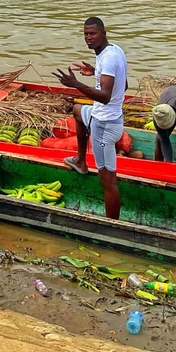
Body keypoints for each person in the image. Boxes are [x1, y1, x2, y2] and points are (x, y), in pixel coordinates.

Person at [53, 17, 127, 220]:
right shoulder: (114, 51)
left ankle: (112, 225)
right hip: (103, 116)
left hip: (104, 125)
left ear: (104, 33)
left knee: (108, 181)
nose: (88, 38)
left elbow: (105, 97)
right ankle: (81, 161)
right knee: (77, 111)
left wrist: (76, 84)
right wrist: (96, 73)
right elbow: (125, 85)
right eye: (85, 34)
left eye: (93, 33)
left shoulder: (109, 58)